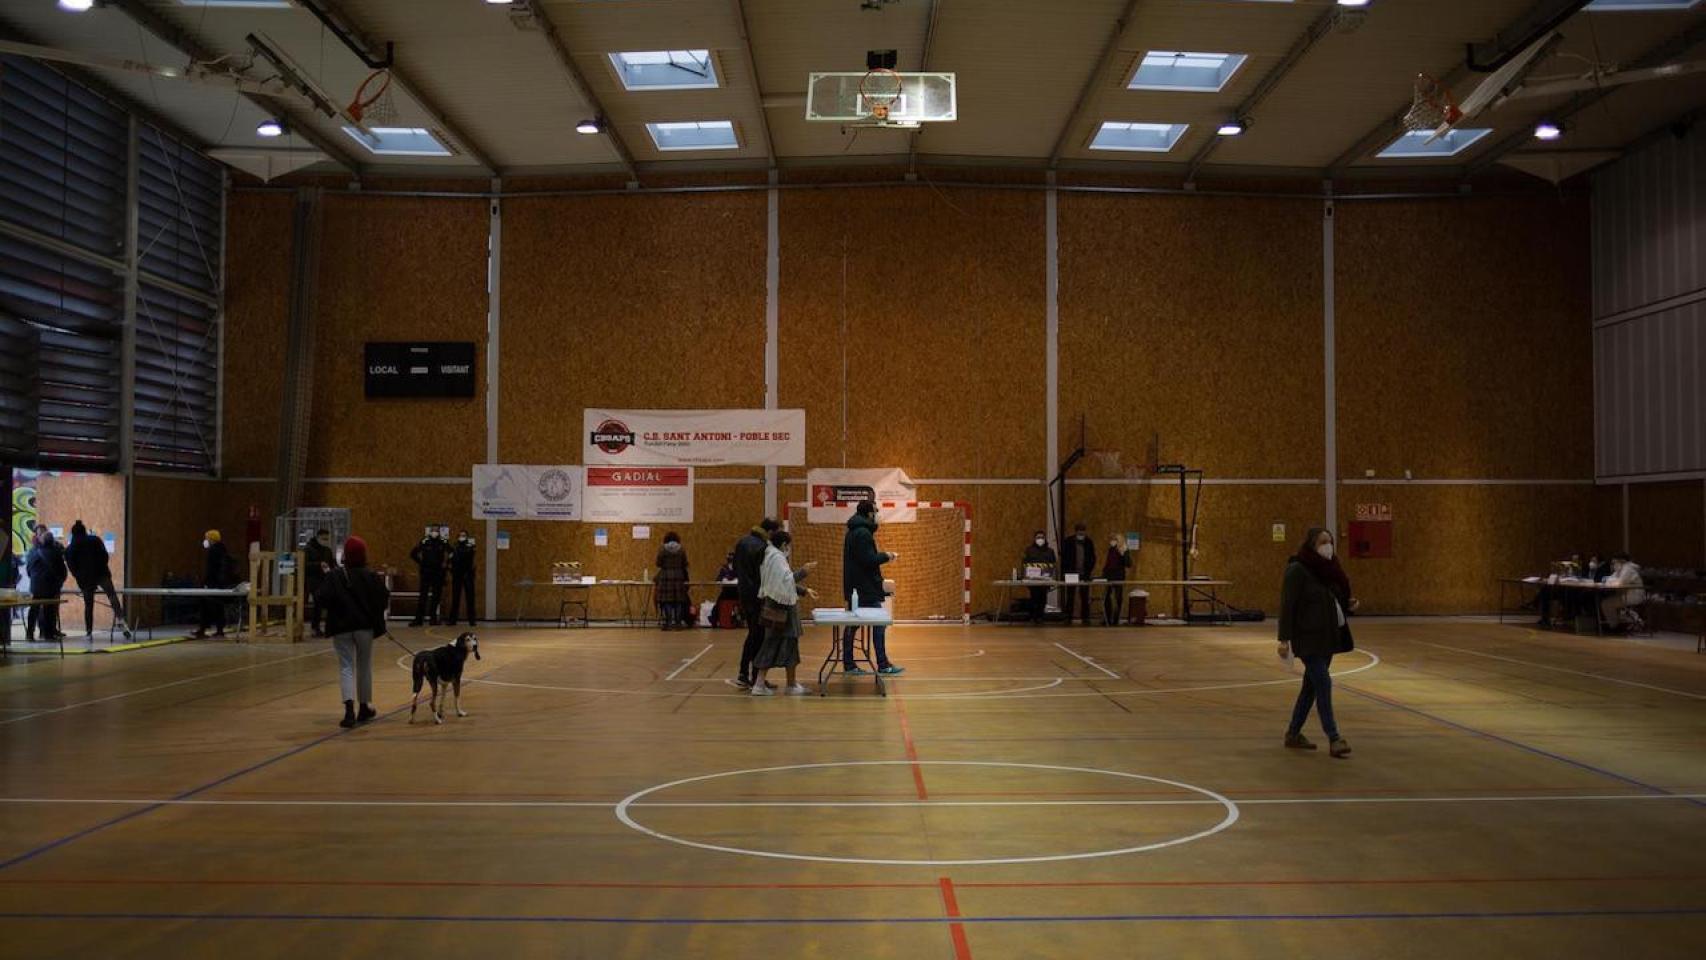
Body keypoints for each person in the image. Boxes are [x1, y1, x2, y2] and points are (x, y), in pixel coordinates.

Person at [1277, 527, 1356, 759]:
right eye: (1323, 542)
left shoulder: (1330, 570)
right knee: (1323, 682)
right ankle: (1334, 737)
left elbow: (1333, 598)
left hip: (1328, 638)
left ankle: (1293, 733)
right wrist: (1284, 639)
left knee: (1310, 687)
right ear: (1312, 544)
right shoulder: (1297, 570)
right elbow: (1287, 606)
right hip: (1307, 640)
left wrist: (1348, 603)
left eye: (1330, 541)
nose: (1328, 546)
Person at [314, 535, 389, 729]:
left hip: (341, 627)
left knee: (346, 667)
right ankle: (364, 707)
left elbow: (320, 597)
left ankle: (349, 711)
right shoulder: (371, 576)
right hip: (365, 627)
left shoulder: (335, 576)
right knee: (364, 666)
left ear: (345, 554)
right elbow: (383, 598)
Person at [751, 530, 817, 696]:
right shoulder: (777, 558)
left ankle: (790, 683)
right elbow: (786, 580)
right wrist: (804, 571)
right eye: (789, 545)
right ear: (783, 545)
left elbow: (783, 582)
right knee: (772, 644)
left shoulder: (771, 556)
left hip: (777, 605)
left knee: (787, 645)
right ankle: (761, 685)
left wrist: (804, 590)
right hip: (780, 608)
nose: (789, 548)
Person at [843, 500, 902, 675]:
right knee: (879, 623)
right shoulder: (863, 533)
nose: (877, 513)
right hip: (864, 589)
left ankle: (849, 664)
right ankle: (882, 664)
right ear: (869, 513)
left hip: (857, 587)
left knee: (852, 626)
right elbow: (868, 560)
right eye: (876, 510)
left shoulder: (854, 531)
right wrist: (887, 556)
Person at [733, 518, 781, 688]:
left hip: (744, 594)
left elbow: (734, 568)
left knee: (753, 634)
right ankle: (755, 677)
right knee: (759, 636)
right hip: (757, 596)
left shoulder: (742, 542)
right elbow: (763, 574)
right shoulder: (763, 548)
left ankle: (743, 673)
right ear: (770, 532)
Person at [65, 520, 131, 641]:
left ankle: (89, 632)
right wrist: (100, 568)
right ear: (84, 531)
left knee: (88, 605)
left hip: (85, 579)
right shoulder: (95, 540)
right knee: (112, 595)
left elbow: (71, 566)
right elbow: (105, 556)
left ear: (73, 533)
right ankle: (120, 618)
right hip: (101, 574)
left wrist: (79, 576)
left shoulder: (70, 548)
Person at [25, 529, 69, 642]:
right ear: (52, 541)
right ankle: (48, 634)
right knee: (49, 610)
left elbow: (28, 569)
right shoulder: (56, 554)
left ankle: (29, 633)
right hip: (51, 587)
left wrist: (34, 580)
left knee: (33, 610)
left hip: (36, 587)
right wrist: (59, 583)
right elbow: (63, 571)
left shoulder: (34, 552)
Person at [191, 530, 232, 639]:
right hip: (221, 584)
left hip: (213, 584)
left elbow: (211, 570)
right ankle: (219, 630)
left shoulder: (213, 551)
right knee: (218, 607)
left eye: (207, 538)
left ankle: (203, 629)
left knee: (206, 606)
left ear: (211, 539)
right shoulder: (223, 550)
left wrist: (206, 583)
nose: (205, 540)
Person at [409, 529, 448, 627]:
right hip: (426, 572)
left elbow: (452, 552)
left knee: (436, 597)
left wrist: (446, 564)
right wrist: (421, 563)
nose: (434, 533)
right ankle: (418, 620)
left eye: (436, 530)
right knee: (423, 596)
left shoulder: (443, 542)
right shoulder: (425, 541)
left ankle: (433, 619)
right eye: (433, 530)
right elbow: (413, 553)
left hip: (438, 573)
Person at [1061, 522, 1097, 625]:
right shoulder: (1068, 542)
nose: (1081, 534)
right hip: (1071, 573)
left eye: (1083, 532)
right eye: (1079, 532)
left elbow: (1092, 558)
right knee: (1070, 595)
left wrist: (1089, 569)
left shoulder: (1089, 542)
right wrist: (1065, 572)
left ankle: (1085, 618)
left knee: (1085, 596)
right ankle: (1068, 617)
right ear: (1076, 532)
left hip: (1084, 573)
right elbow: (1064, 558)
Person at [654, 532, 690, 631]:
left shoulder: (662, 549)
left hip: (665, 576)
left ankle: (668, 623)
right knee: (679, 600)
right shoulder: (681, 549)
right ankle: (678, 623)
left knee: (667, 600)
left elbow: (658, 563)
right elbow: (685, 563)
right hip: (679, 576)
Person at [303, 529, 336, 637]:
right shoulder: (308, 549)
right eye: (324, 539)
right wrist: (318, 565)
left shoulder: (327, 550)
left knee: (327, 603)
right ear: (318, 537)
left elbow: (332, 564)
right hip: (313, 581)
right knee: (317, 603)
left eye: (327, 539)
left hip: (325, 581)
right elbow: (304, 565)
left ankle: (328, 627)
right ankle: (314, 627)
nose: (325, 541)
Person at [1600, 552, 1645, 630]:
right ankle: (1616, 624)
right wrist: (1612, 580)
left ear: (1622, 561)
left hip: (1633, 596)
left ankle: (1614, 627)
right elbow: (1606, 579)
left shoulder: (1629, 569)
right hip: (1624, 595)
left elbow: (1619, 583)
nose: (1613, 565)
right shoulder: (1620, 569)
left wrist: (1612, 580)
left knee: (1606, 604)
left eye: (1615, 562)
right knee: (1607, 601)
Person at [1021, 531, 1057, 623]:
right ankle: (1033, 616)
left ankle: (1040, 616)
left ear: (1045, 539)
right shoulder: (1029, 550)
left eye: (1042, 537)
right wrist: (1024, 577)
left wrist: (1052, 576)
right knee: (1034, 598)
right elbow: (1024, 563)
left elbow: (1053, 564)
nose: (1040, 539)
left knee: (1043, 598)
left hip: (1045, 579)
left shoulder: (1050, 551)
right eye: (1038, 537)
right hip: (1032, 579)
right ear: (1034, 538)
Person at [446, 530, 478, 627]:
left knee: (470, 598)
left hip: (467, 574)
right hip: (457, 575)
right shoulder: (454, 547)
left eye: (464, 535)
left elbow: (469, 558)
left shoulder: (470, 546)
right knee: (455, 598)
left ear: (467, 537)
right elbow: (450, 559)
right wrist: (450, 568)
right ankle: (452, 620)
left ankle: (472, 620)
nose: (462, 537)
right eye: (460, 535)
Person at [1101, 533, 1132, 626]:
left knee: (1118, 598)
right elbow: (1109, 562)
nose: (1113, 541)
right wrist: (1104, 573)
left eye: (1115, 539)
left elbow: (1128, 564)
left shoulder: (1124, 550)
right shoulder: (1111, 549)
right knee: (1107, 598)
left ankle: (1115, 619)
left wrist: (1122, 554)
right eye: (1112, 539)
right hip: (1108, 576)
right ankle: (1107, 619)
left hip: (1118, 576)